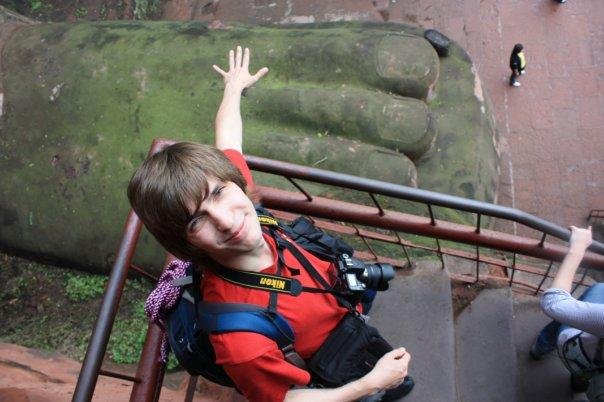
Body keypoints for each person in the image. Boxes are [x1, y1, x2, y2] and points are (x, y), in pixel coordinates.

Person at [128, 46, 413, 402]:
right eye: (196, 221)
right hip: (329, 365)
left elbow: (228, 138)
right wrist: (370, 384)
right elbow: (285, 398)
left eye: (218, 192)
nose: (226, 219)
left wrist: (234, 88)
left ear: (233, 181)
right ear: (185, 243)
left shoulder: (238, 195)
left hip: (343, 317)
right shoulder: (239, 339)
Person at [530, 226, 604, 400]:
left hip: (579, 350)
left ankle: (540, 347)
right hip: (595, 368)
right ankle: (577, 389)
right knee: (585, 375)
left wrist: (577, 247)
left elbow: (554, 303)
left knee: (598, 290)